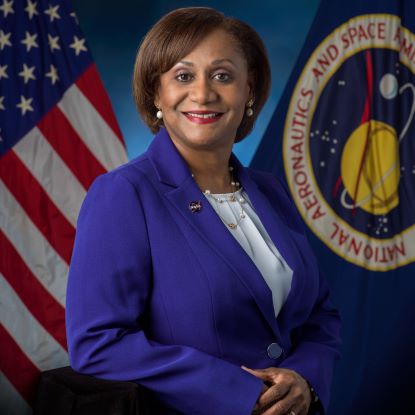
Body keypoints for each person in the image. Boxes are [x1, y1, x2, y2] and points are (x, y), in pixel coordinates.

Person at [66, 7, 341, 415]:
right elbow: (97, 343)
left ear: (249, 90)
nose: (202, 93)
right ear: (156, 93)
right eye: (182, 75)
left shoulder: (270, 192)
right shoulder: (124, 195)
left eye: (223, 75)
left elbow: (319, 313)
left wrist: (305, 379)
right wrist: (243, 394)